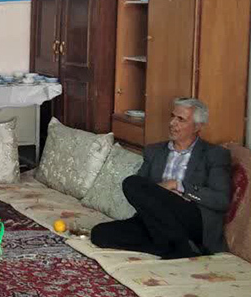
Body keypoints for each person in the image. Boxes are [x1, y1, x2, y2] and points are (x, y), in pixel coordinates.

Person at [91, 98, 232, 259]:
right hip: (157, 219)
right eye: (172, 116)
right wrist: (160, 192)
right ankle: (176, 247)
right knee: (99, 234)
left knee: (131, 183)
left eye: (180, 119)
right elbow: (141, 191)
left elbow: (221, 200)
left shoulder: (214, 154)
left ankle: (174, 244)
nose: (172, 123)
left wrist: (178, 185)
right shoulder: (154, 151)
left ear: (197, 127)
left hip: (190, 216)